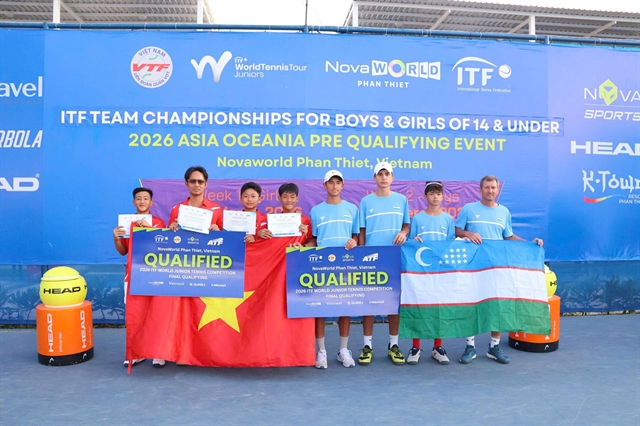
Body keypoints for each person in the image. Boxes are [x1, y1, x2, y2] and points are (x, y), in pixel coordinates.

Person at [455, 175, 544, 365]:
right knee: (472, 304)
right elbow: (456, 231)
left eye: (493, 187)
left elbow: (508, 236)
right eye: (487, 187)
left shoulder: (504, 212)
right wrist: (468, 233)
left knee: (498, 306)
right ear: (480, 189)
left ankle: (494, 347)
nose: (490, 191)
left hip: (497, 267)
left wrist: (530, 244)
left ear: (497, 190)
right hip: (473, 267)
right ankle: (470, 347)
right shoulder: (469, 209)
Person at [358, 162, 410, 366]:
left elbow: (406, 225)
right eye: (380, 174)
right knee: (370, 302)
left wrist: (403, 232)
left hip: (394, 257)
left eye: (387, 174)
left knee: (393, 302)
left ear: (392, 177)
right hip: (371, 259)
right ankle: (367, 346)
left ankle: (393, 345)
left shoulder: (401, 200)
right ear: (374, 178)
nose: (383, 177)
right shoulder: (365, 202)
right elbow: (362, 230)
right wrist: (361, 255)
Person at [307, 170, 359, 369]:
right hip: (321, 265)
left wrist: (354, 241)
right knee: (319, 308)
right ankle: (321, 351)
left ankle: (343, 350)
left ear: (342, 185)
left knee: (345, 308)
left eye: (338, 182)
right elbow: (314, 239)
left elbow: (356, 236)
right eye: (331, 182)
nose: (335, 186)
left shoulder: (352, 209)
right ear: (325, 185)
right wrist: (300, 248)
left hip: (345, 264)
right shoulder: (316, 211)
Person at [112, 187, 166, 368]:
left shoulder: (158, 222)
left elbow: (162, 248)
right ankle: (135, 353)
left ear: (151, 202)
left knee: (157, 313)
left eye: (145, 198)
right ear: (133, 202)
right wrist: (116, 238)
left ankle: (158, 352)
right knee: (135, 315)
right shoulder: (126, 223)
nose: (142, 201)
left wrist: (148, 230)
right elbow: (123, 251)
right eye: (138, 198)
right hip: (134, 275)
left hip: (156, 274)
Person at [406, 181, 454, 365]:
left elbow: (450, 244)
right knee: (418, 306)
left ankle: (437, 347)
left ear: (443, 197)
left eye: (438, 194)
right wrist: (414, 241)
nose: (435, 197)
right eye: (432, 193)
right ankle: (415, 347)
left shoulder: (448, 219)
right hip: (420, 272)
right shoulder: (417, 219)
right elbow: (411, 243)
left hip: (440, 272)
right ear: (425, 196)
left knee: (439, 308)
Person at [168, 165, 223, 233]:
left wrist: (218, 231)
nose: (196, 185)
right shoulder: (177, 208)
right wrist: (171, 228)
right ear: (186, 183)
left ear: (205, 184)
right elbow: (170, 235)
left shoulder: (217, 208)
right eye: (193, 181)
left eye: (200, 182)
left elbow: (225, 236)